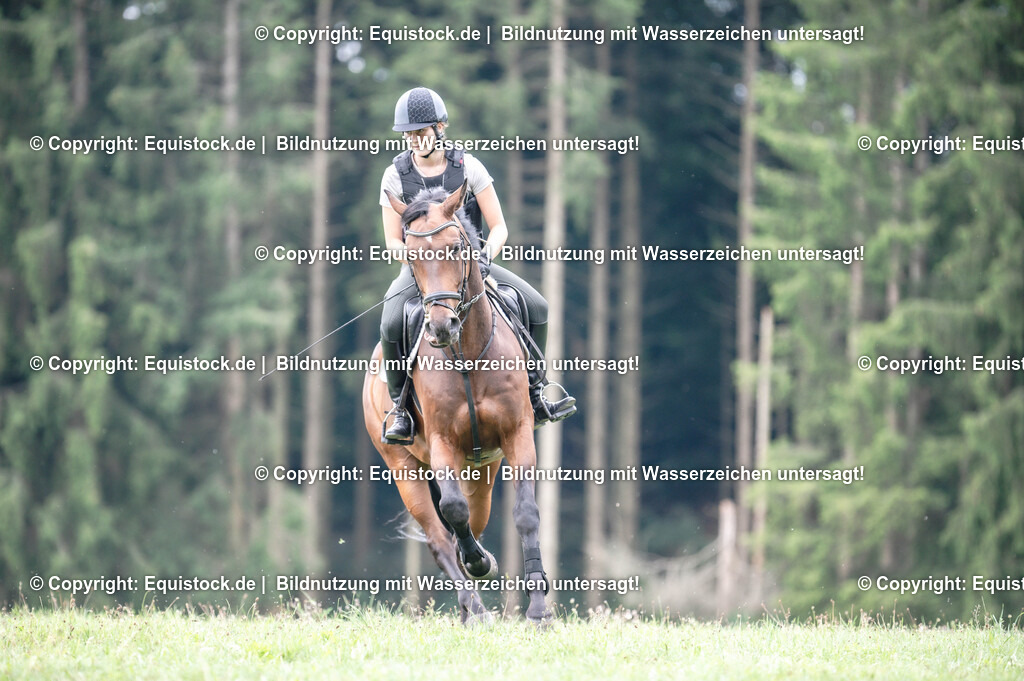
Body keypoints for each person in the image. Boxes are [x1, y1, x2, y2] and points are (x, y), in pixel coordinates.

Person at [378, 86, 575, 445]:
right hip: (421, 270)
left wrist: (485, 256)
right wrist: (413, 255)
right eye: (409, 133)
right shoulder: (394, 176)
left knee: (536, 304)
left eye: (420, 131)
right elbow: (392, 239)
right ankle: (401, 408)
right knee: (391, 318)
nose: (414, 139)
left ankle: (536, 391)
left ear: (440, 128)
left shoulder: (468, 167)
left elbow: (499, 227)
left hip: (470, 265)